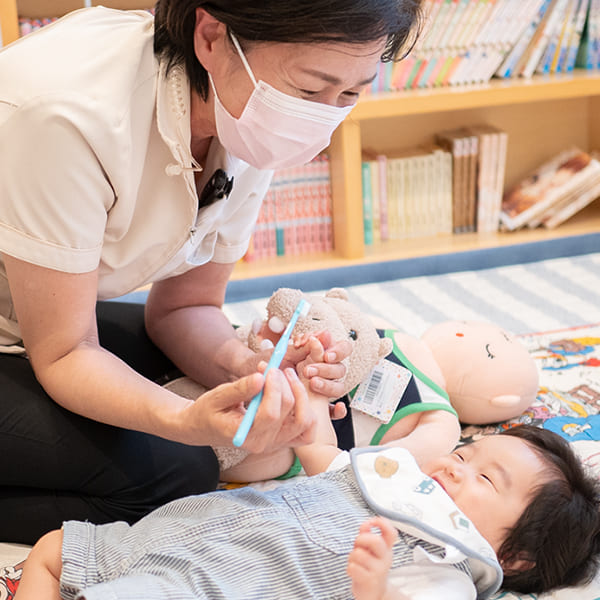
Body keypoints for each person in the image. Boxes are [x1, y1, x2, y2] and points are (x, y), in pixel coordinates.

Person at [0, 0, 423, 544]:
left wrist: (249, 368)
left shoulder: (244, 114)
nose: (322, 116)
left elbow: (184, 307)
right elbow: (65, 353)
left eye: (350, 93)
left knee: (199, 397)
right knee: (176, 471)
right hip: (42, 332)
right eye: (310, 89)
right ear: (212, 36)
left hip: (30, 314)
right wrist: (183, 421)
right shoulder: (65, 114)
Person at [11, 421, 600, 599]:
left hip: (222, 584)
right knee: (52, 551)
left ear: (513, 553)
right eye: (466, 451)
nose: (454, 464)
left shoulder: (444, 566)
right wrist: (307, 410)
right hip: (184, 537)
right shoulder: (392, 482)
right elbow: (326, 455)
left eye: (484, 478)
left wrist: (373, 588)